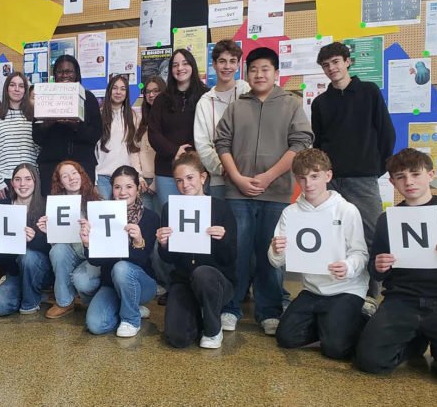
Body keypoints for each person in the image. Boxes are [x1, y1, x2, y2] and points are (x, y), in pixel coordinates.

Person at [356, 148, 437, 389]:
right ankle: (415, 340)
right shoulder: (387, 219)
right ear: (392, 182)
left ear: (431, 175)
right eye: (400, 177)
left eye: (415, 174)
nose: (409, 182)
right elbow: (375, 269)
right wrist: (379, 265)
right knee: (370, 362)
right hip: (401, 300)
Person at [215, 47, 313, 335]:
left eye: (265, 69)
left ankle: (269, 310)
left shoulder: (291, 104)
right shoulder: (236, 106)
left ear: (276, 73)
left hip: (277, 193)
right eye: (254, 69)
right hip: (238, 194)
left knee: (271, 254)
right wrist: (237, 178)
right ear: (247, 74)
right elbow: (222, 143)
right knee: (236, 252)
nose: (259, 74)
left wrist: (269, 177)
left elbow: (300, 143)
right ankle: (230, 307)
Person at [311, 41, 395, 316]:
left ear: (347, 61)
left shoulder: (369, 92)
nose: (331, 68)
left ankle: (371, 294)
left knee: (371, 236)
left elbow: (387, 134)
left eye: (336, 62)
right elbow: (318, 144)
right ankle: (338, 289)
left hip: (364, 179)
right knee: (333, 236)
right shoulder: (321, 103)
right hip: (331, 182)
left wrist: (374, 169)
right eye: (326, 65)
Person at [268, 149, 368, 359]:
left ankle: (359, 319)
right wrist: (276, 250)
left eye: (315, 176)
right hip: (312, 290)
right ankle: (329, 325)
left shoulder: (347, 210)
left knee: (336, 350)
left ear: (328, 176)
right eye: (302, 178)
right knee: (286, 338)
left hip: (346, 289)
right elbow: (276, 262)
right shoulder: (291, 213)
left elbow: (360, 253)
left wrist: (348, 266)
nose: (308, 184)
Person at [156, 151, 238, 349]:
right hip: (183, 280)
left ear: (203, 177)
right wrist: (164, 244)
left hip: (216, 282)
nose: (185, 185)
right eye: (179, 180)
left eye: (190, 178)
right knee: (177, 338)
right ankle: (198, 315)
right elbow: (168, 259)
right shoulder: (170, 209)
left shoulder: (221, 208)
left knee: (203, 274)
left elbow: (231, 258)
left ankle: (213, 329)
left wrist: (223, 239)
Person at [79, 165, 158, 337]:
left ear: (137, 188)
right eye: (117, 187)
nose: (123, 192)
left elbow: (141, 260)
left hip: (142, 283)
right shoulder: (102, 215)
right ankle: (130, 307)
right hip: (111, 283)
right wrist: (88, 244)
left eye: (129, 186)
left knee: (121, 268)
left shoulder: (150, 218)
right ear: (112, 189)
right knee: (95, 325)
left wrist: (138, 241)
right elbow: (95, 261)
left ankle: (131, 319)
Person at [36, 160, 102, 318]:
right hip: (70, 255)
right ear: (60, 183)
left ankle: (95, 300)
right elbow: (56, 247)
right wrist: (49, 232)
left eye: (74, 173)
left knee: (82, 281)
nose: (71, 178)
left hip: (91, 257)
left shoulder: (97, 201)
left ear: (82, 175)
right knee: (58, 250)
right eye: (65, 176)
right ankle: (65, 301)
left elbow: (104, 242)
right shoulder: (55, 206)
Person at [0, 163, 53, 316]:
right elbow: (1, 258)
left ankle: (30, 303)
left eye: (28, 179)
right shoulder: (3, 207)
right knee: (0, 307)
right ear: (12, 183)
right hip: (15, 272)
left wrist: (34, 240)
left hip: (41, 271)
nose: (22, 184)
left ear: (35, 181)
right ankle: (28, 293)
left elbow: (53, 249)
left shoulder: (47, 206)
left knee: (28, 256)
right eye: (18, 179)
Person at [33, 55, 102, 195]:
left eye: (69, 71)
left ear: (76, 73)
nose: (65, 75)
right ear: (54, 75)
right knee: (52, 205)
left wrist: (76, 126)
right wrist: (47, 124)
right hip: (51, 166)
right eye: (60, 71)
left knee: (83, 203)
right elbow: (36, 138)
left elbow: (96, 134)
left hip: (82, 165)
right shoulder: (45, 97)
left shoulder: (88, 98)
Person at [148, 49, 208, 208]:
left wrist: (188, 153)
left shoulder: (206, 96)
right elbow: (153, 133)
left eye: (185, 63)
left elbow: (209, 132)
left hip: (196, 169)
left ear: (192, 66)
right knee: (169, 216)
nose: (180, 68)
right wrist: (175, 151)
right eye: (175, 65)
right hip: (166, 170)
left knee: (197, 216)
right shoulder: (161, 99)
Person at [194, 40, 249, 201]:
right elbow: (202, 145)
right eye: (222, 61)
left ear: (238, 65)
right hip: (220, 180)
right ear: (214, 64)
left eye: (232, 61)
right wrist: (224, 169)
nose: (227, 67)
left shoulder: (247, 91)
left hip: (249, 175)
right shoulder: (204, 102)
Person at [0, 72, 39, 200]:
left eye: (21, 86)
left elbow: (38, 151)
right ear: (6, 88)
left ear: (25, 90)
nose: (16, 89)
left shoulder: (34, 117)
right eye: (13, 85)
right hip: (5, 182)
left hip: (30, 180)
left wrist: (37, 177)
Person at [95, 75, 142, 199]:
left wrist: (139, 175)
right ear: (109, 91)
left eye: (122, 89)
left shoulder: (133, 116)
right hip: (102, 176)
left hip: (124, 177)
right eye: (115, 88)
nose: (118, 92)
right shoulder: (98, 115)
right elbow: (93, 148)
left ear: (127, 93)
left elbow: (134, 149)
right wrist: (94, 179)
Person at [133, 75, 165, 214]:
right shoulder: (140, 121)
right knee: (146, 221)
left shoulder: (168, 118)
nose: (151, 95)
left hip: (163, 179)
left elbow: (168, 152)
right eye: (148, 91)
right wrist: (139, 177)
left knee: (163, 221)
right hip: (143, 182)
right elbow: (133, 150)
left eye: (156, 91)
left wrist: (157, 181)